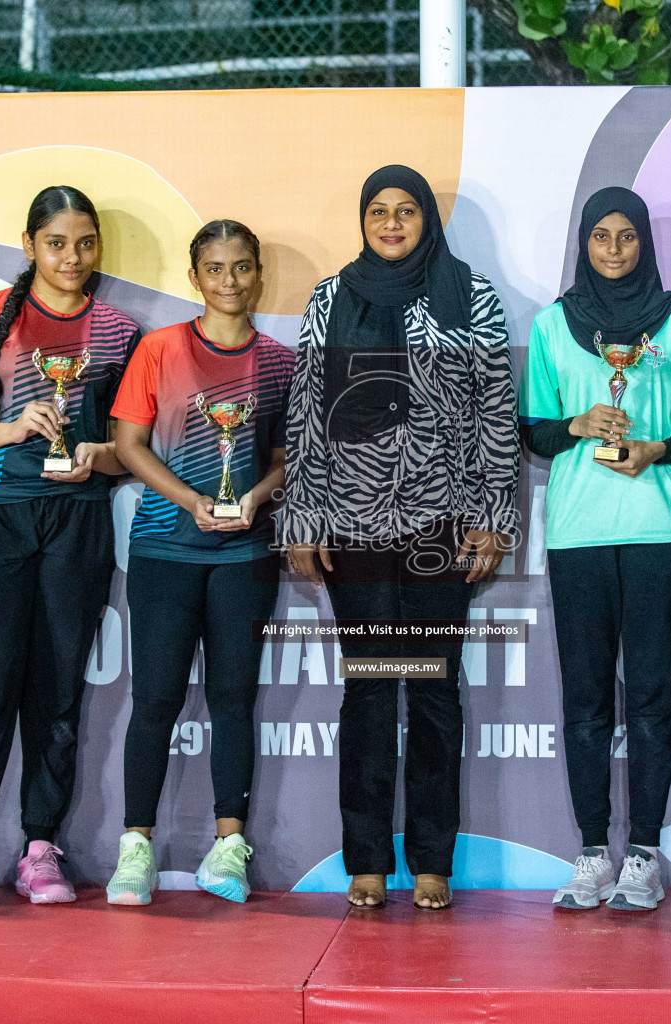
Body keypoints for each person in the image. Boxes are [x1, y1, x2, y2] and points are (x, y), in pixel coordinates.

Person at [279, 165, 519, 911]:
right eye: (377, 211)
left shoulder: (468, 296)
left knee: (435, 690)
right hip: (353, 529)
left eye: (405, 211)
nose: (390, 224)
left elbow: (496, 414)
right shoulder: (332, 297)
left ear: (426, 220)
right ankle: (366, 859)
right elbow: (307, 415)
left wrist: (494, 515)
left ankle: (433, 860)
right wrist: (302, 518)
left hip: (441, 526)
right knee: (371, 689)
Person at [0, 185, 140, 908]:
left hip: (76, 519)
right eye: (56, 243)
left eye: (85, 243)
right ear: (29, 245)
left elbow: (128, 449)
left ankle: (40, 848)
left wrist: (95, 458)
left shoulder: (117, 330)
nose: (71, 257)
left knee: (57, 690)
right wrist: (16, 429)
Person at [520, 187, 671, 911]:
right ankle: (590, 851)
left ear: (644, 243)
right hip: (578, 532)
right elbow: (533, 429)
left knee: (651, 697)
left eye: (626, 236)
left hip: (659, 530)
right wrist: (576, 425)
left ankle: (642, 853)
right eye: (601, 236)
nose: (613, 249)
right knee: (584, 701)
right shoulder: (552, 326)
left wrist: (655, 449)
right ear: (585, 243)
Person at [105, 221, 293, 906]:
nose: (230, 282)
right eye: (215, 269)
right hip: (164, 549)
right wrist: (190, 501)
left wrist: (252, 499)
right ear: (195, 278)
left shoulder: (278, 363)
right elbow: (129, 444)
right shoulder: (159, 349)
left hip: (245, 551)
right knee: (155, 698)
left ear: (258, 274)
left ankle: (228, 848)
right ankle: (135, 849)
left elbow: (282, 459)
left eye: (243, 268)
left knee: (234, 700)